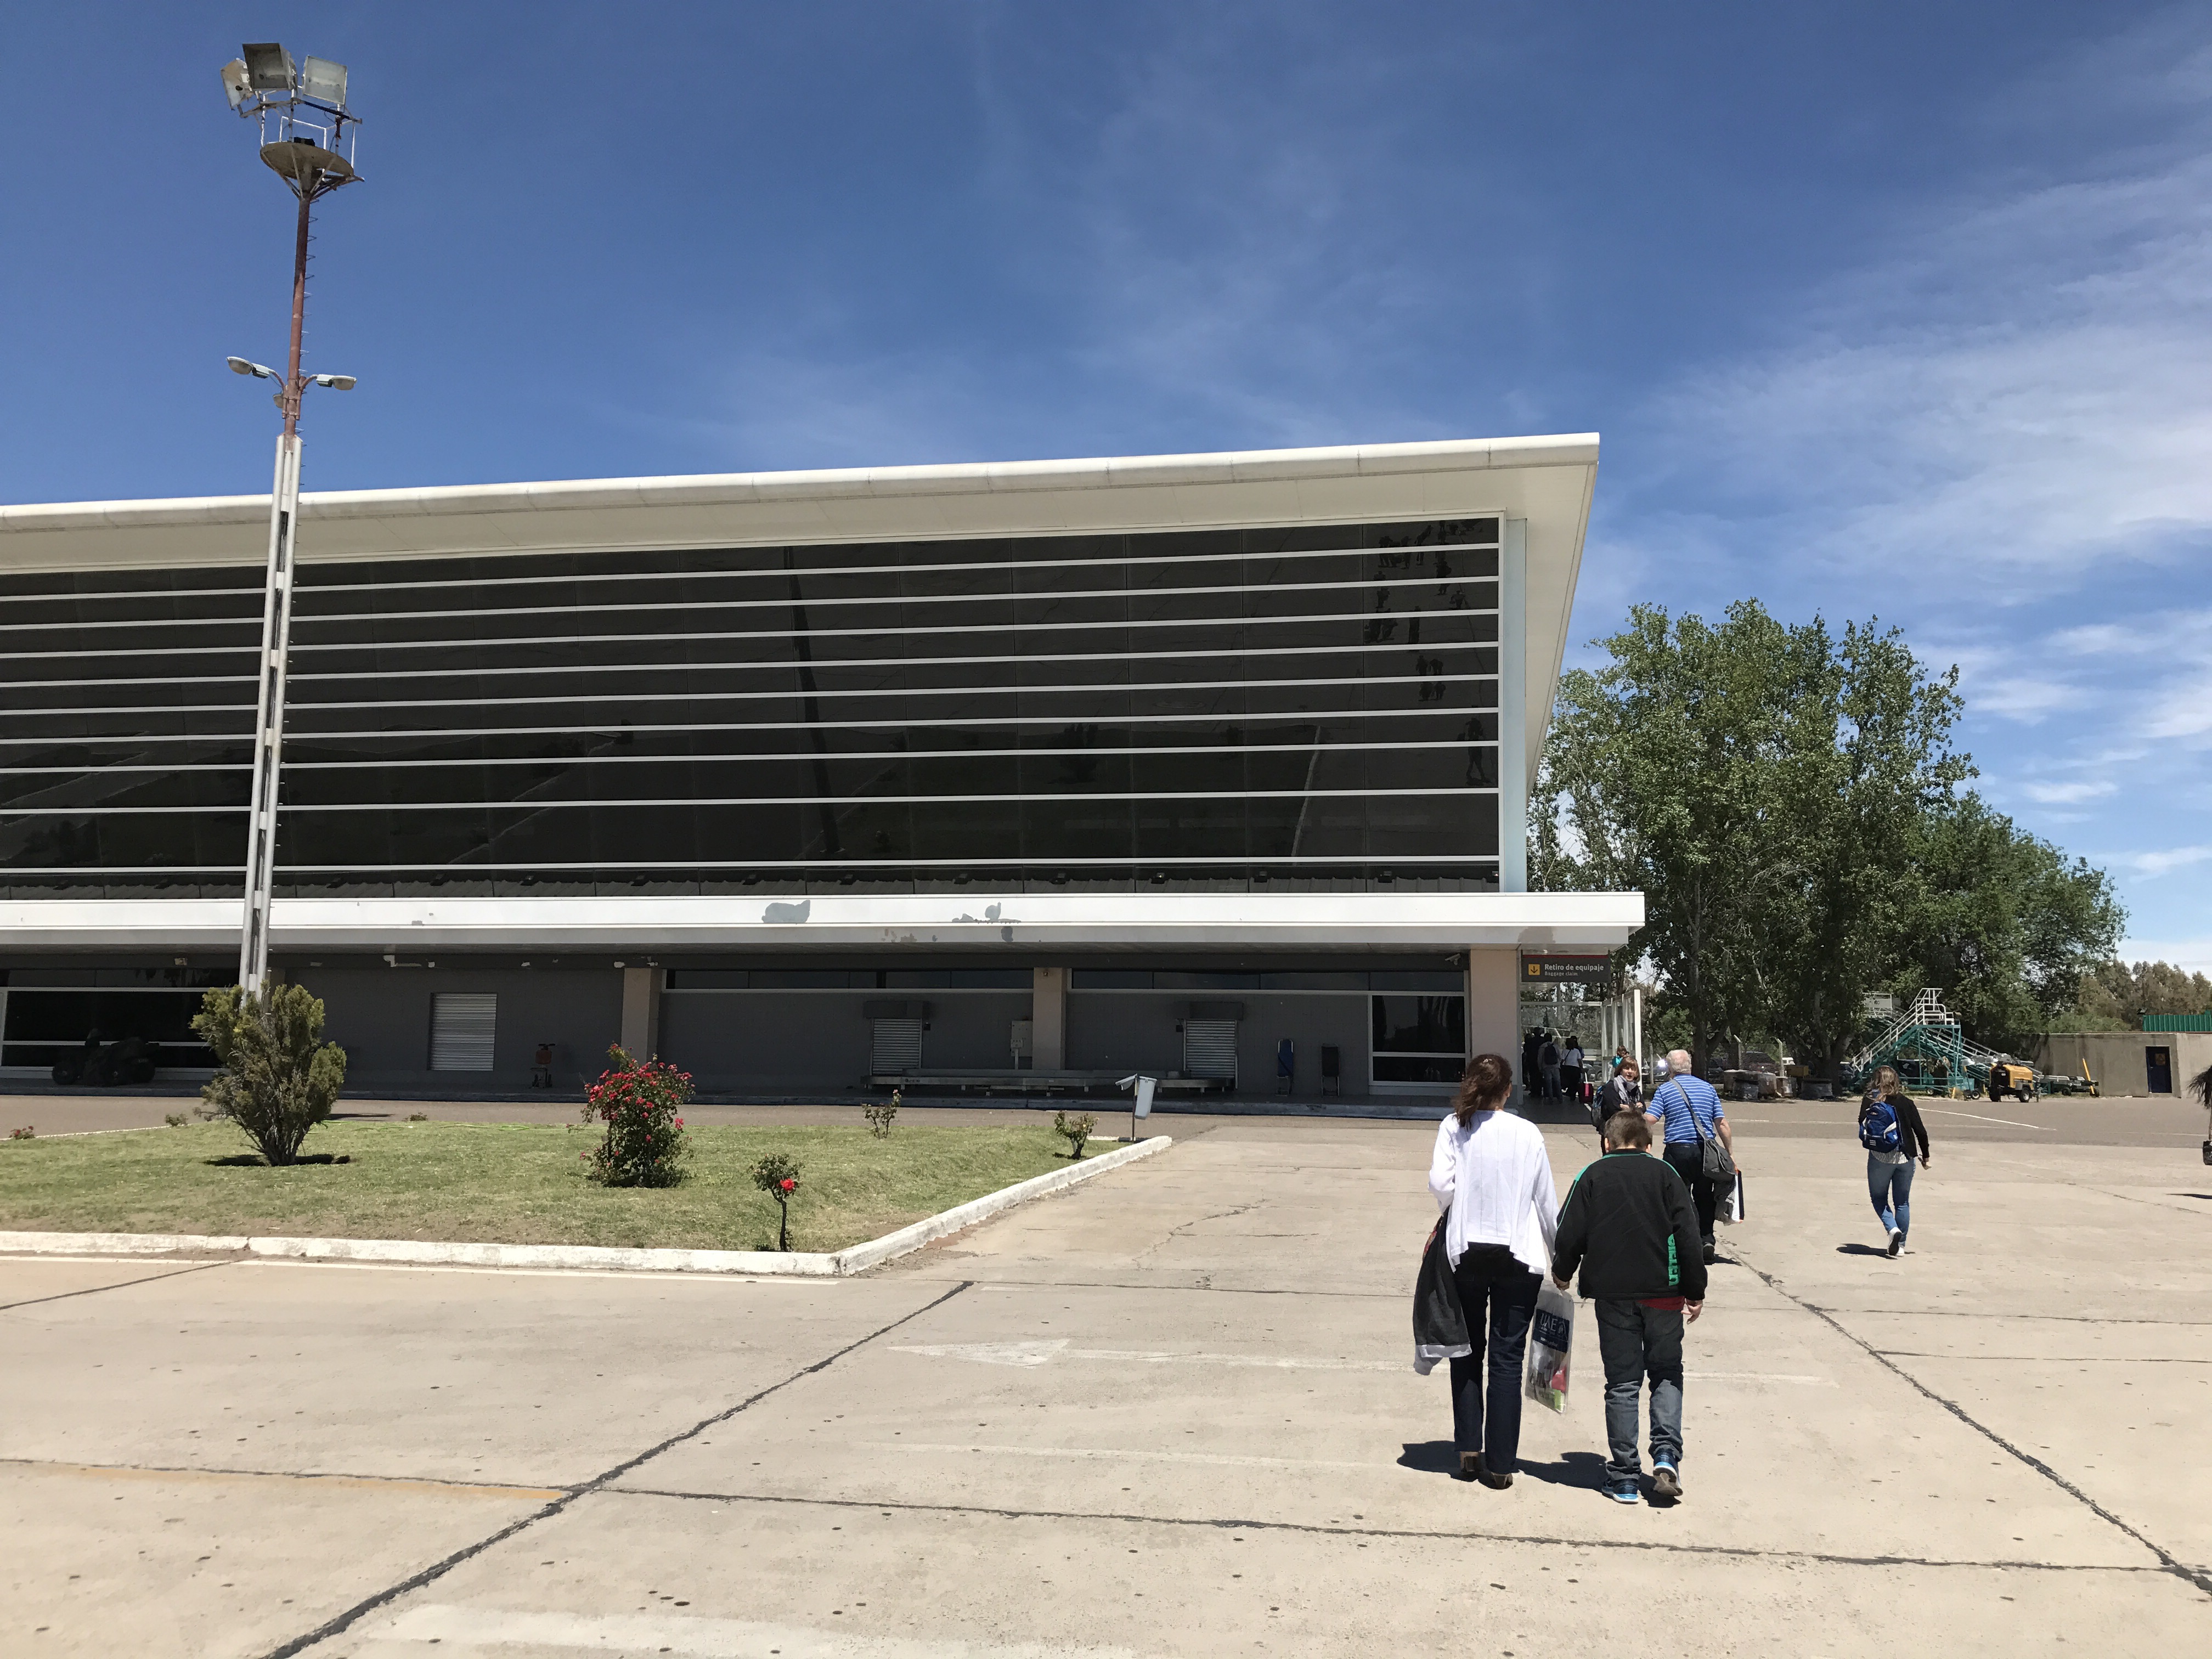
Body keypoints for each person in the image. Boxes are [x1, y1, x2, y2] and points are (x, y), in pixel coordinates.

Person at [1551, 1109, 1706, 1504]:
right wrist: (1695, 1290)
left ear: (1607, 1143)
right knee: (1666, 1371)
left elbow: (1568, 1232)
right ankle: (1666, 1454)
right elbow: (1689, 1235)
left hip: (1613, 1295)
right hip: (1665, 1292)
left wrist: (1563, 1272)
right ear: (1649, 1145)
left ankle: (1623, 1478)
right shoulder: (1667, 1175)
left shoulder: (1591, 1175)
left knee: (1622, 1383)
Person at [1427, 1052, 1560, 1489]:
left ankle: (1469, 1451)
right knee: (1507, 1359)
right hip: (1518, 1255)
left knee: (1466, 1351)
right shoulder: (1528, 1132)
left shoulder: (1454, 1126)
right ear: (1508, 1090)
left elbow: (1440, 1184)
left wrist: (1459, 1206)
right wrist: (1561, 1257)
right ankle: (1501, 1465)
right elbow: (1545, 1201)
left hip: (1466, 1251)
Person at [1645, 1049, 1735, 1263]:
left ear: (1669, 1068)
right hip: (1706, 1152)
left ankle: (1688, 1241)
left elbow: (1651, 1119)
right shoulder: (1708, 1088)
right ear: (1690, 1066)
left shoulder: (1666, 1089)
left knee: (1679, 1197)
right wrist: (1729, 1153)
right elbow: (1722, 1123)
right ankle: (1707, 1240)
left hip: (1677, 1151)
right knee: (1704, 1196)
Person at [1859, 1063, 1931, 1256]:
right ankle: (1901, 1247)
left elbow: (1861, 1122)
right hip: (1905, 1156)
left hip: (1880, 1156)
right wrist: (1925, 1155)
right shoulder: (1906, 1102)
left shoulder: (1870, 1100)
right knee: (1902, 1202)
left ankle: (1892, 1229)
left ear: (1876, 1081)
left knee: (1878, 1198)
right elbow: (1921, 1132)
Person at [1592, 1058, 1644, 1144]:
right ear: (1620, 1070)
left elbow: (1643, 1108)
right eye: (1627, 1068)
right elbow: (1614, 1110)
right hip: (1613, 1133)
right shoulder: (1611, 1086)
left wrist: (1627, 1109)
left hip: (1632, 1134)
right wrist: (1635, 1108)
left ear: (1636, 1073)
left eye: (1633, 1069)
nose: (1630, 1072)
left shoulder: (1635, 1089)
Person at [1562, 1039, 1585, 1105]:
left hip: (1567, 1068)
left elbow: (1562, 1060)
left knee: (1569, 1082)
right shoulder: (1577, 1051)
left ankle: (1569, 1093)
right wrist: (1581, 1068)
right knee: (1575, 1083)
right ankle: (1573, 1095)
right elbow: (1579, 1061)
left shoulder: (1565, 1051)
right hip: (1576, 1069)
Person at [1539, 1035, 1562, 1101]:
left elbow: (1540, 1058)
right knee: (1557, 1082)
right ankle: (1560, 1097)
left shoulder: (1542, 1047)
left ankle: (1550, 1098)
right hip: (1556, 1066)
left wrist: (1540, 1067)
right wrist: (1558, 1064)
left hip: (1546, 1067)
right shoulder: (1555, 1046)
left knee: (1548, 1083)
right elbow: (1560, 1057)